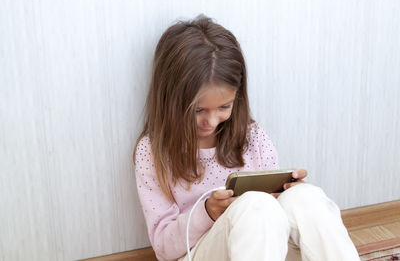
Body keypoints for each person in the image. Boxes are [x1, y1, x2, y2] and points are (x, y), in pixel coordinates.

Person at [134, 15, 360, 261]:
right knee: (255, 205)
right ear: (170, 99)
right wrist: (207, 212)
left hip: (265, 248)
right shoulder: (153, 151)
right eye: (198, 110)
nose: (210, 121)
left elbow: (276, 217)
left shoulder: (251, 137)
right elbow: (164, 250)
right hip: (199, 253)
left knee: (306, 198)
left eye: (224, 107)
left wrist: (286, 192)